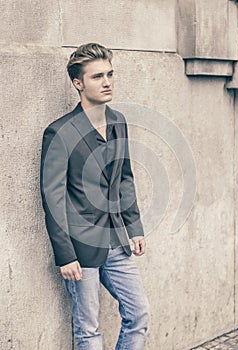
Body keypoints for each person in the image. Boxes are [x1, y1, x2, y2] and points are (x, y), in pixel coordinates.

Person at [40, 43, 149, 350]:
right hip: (80, 247)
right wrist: (65, 254)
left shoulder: (118, 121)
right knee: (88, 328)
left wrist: (134, 227)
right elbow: (53, 198)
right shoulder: (59, 132)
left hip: (116, 240)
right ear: (78, 83)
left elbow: (124, 178)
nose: (107, 82)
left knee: (138, 312)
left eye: (110, 74)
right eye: (97, 76)